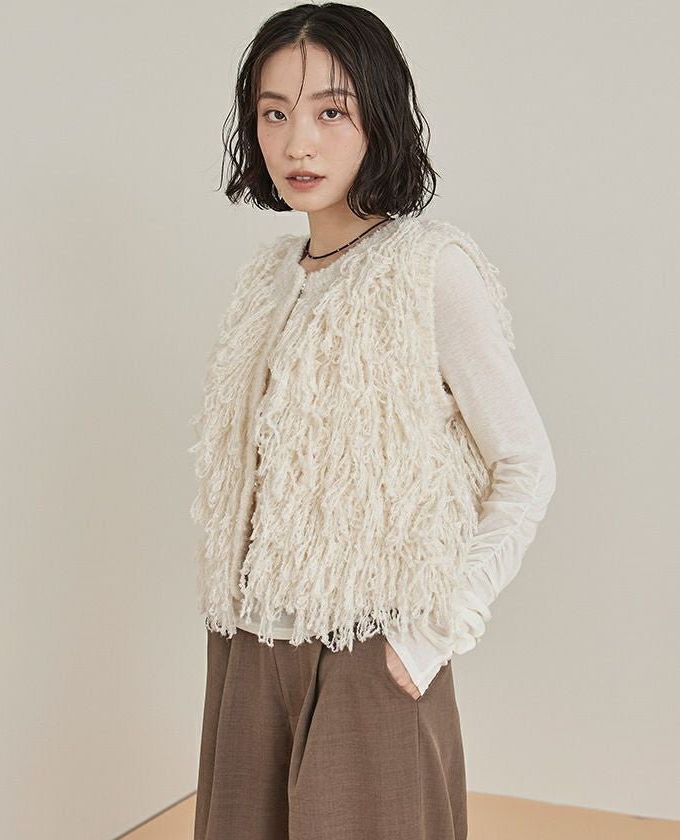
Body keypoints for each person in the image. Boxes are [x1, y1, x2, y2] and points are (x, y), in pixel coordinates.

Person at [189, 4, 557, 839]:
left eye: (331, 112)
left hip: (368, 649)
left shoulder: (430, 268)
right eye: (274, 113)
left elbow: (527, 464)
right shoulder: (266, 281)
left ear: (379, 118)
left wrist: (431, 636)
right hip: (247, 650)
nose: (298, 143)